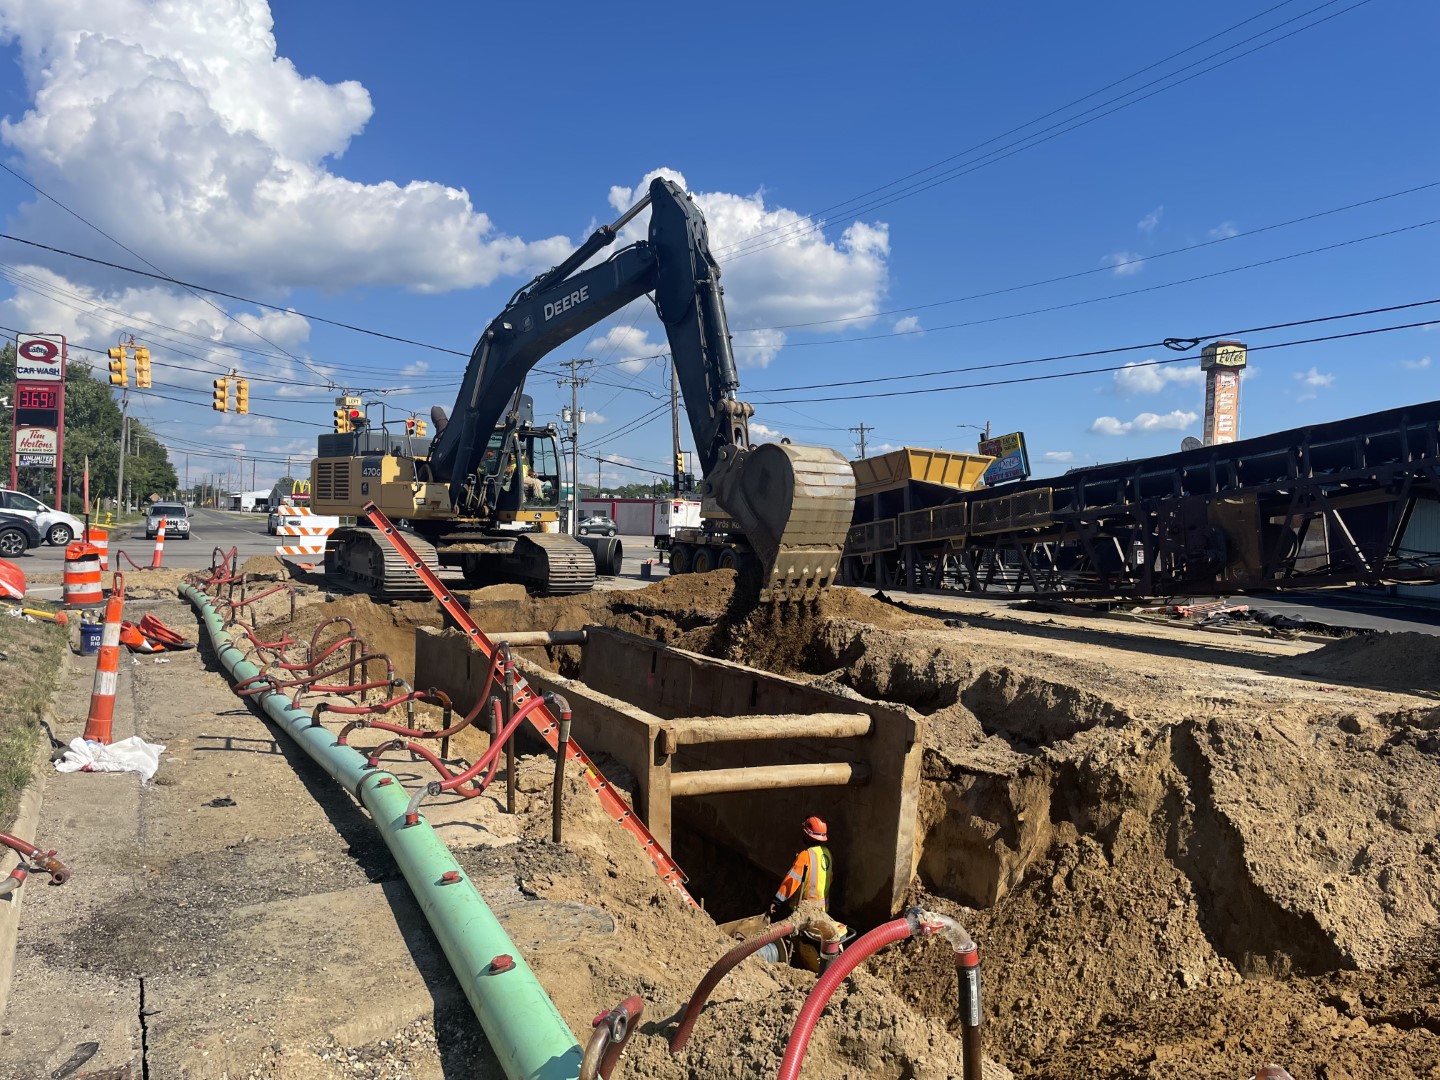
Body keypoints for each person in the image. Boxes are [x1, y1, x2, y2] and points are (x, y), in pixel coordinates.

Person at [770, 816, 832, 917]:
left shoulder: (805, 855)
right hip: (822, 910)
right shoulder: (827, 854)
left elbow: (791, 881)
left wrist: (777, 901)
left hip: (804, 911)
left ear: (809, 836)